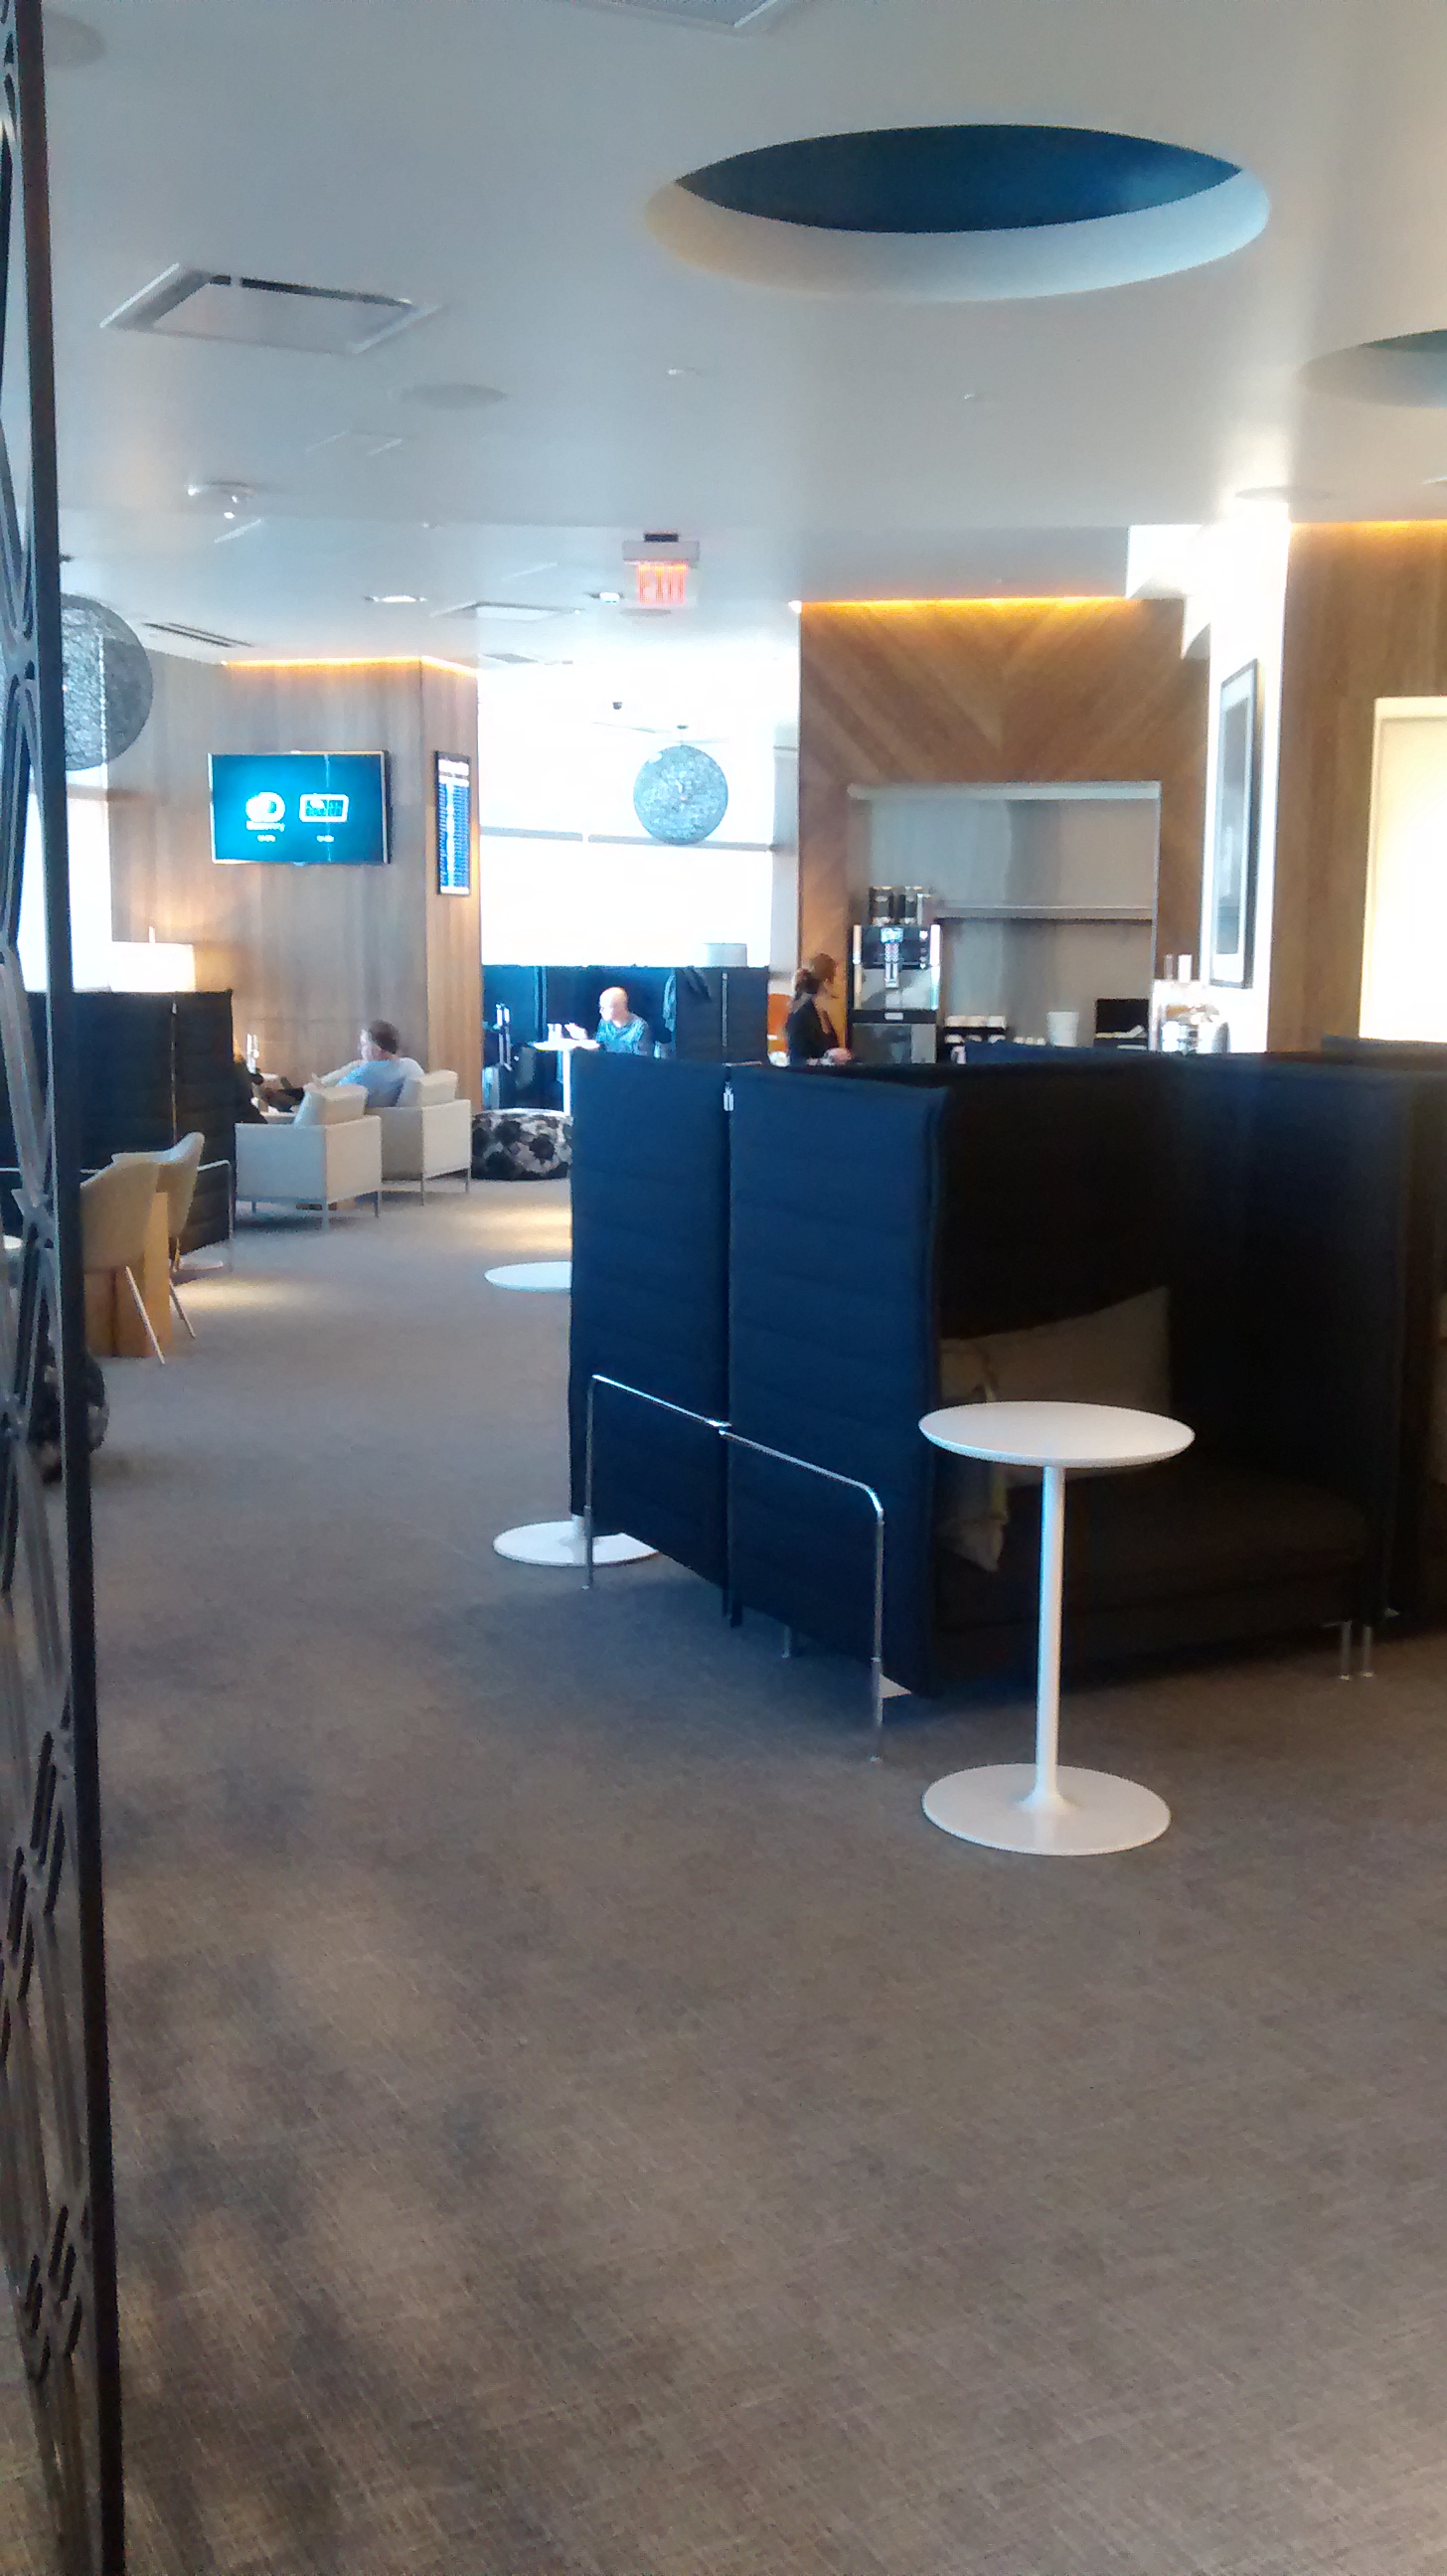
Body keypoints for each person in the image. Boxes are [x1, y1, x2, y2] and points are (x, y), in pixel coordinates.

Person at [320, 1019, 424, 1110]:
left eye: (363, 1044)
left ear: (377, 1049)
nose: (359, 1048)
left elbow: (331, 1099)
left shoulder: (366, 1073)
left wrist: (316, 1090)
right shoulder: (411, 1065)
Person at [785, 954, 852, 1066]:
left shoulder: (823, 1014)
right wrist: (823, 1061)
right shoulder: (800, 1016)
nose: (844, 983)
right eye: (839, 978)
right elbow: (795, 1060)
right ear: (826, 982)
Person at [566, 986, 652, 1055]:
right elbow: (599, 1049)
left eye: (606, 1008)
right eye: (600, 1007)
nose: (601, 1011)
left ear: (621, 1007)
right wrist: (584, 1038)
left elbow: (642, 1061)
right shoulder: (604, 1022)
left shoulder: (639, 1028)